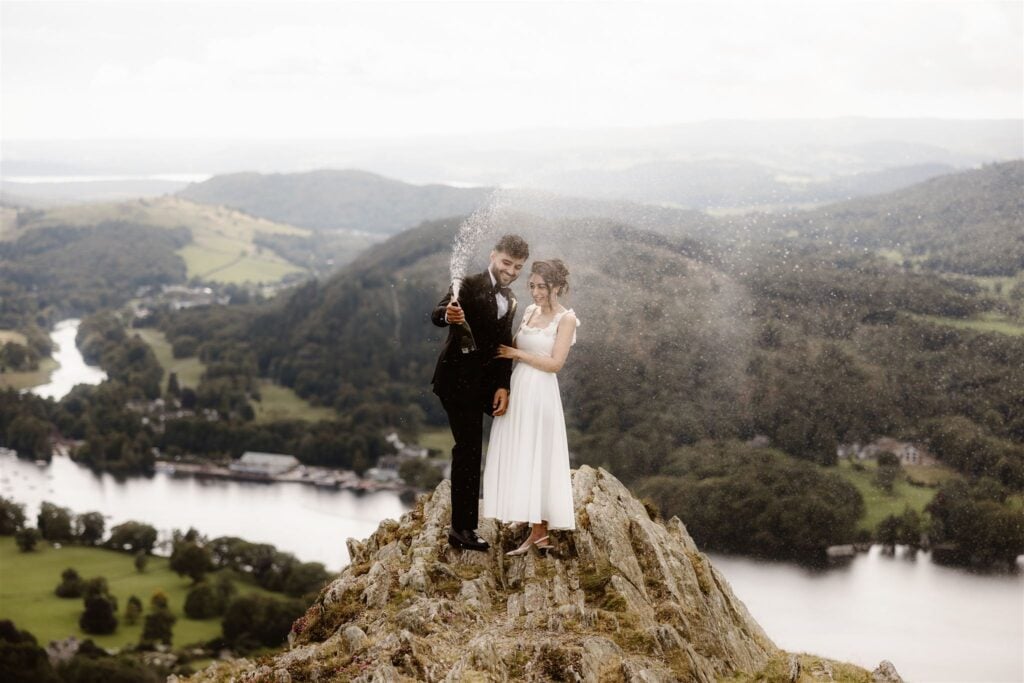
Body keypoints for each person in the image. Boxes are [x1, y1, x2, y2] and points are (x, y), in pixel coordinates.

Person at [431, 234, 529, 551]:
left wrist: (504, 385)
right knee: (469, 450)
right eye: (506, 263)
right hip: (457, 383)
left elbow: (503, 347)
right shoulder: (468, 284)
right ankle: (462, 529)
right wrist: (450, 315)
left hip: (486, 385)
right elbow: (439, 312)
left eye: (518, 267)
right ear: (493, 256)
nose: (511, 271)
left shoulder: (511, 298)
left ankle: (525, 509)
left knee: (522, 428)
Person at [483, 259, 578, 555]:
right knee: (521, 450)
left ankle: (539, 533)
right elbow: (509, 344)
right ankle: (524, 514)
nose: (536, 293)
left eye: (543, 287)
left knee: (539, 454)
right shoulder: (528, 311)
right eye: (533, 286)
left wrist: (517, 354)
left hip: (541, 392)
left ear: (558, 287)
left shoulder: (566, 319)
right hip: (520, 387)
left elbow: (555, 363)